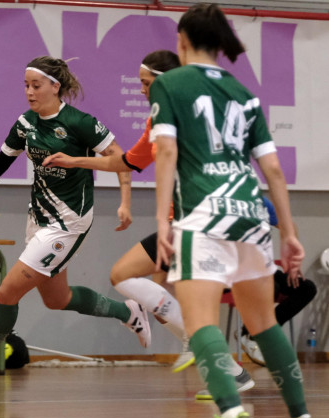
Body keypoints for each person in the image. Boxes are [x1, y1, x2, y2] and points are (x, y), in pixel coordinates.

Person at [151, 3, 317, 418]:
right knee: (263, 324)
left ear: (182, 41)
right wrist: (289, 232)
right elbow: (275, 171)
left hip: (203, 217)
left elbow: (166, 154)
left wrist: (161, 218)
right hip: (250, 213)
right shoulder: (245, 93)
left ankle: (230, 413)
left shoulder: (169, 83)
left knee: (199, 319)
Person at [43, 50, 255, 394]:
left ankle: (214, 359)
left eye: (146, 83)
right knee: (142, 287)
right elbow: (126, 161)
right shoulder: (155, 122)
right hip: (183, 222)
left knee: (145, 285)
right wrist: (75, 161)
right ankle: (221, 363)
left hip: (202, 222)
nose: (142, 90)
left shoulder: (193, 117)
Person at [0, 55, 150, 390]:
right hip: (38, 219)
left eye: (36, 85)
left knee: (8, 292)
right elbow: (1, 161)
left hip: (68, 223)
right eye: (26, 85)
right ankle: (128, 312)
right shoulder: (25, 123)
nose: (29, 92)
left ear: (56, 86)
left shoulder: (79, 122)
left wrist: (125, 203)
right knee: (57, 299)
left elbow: (121, 159)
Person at [238, 196, 317, 366]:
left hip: (263, 269)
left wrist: (293, 255)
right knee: (270, 287)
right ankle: (257, 334)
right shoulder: (222, 201)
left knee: (306, 288)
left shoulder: (261, 202)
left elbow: (288, 227)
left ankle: (254, 334)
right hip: (232, 269)